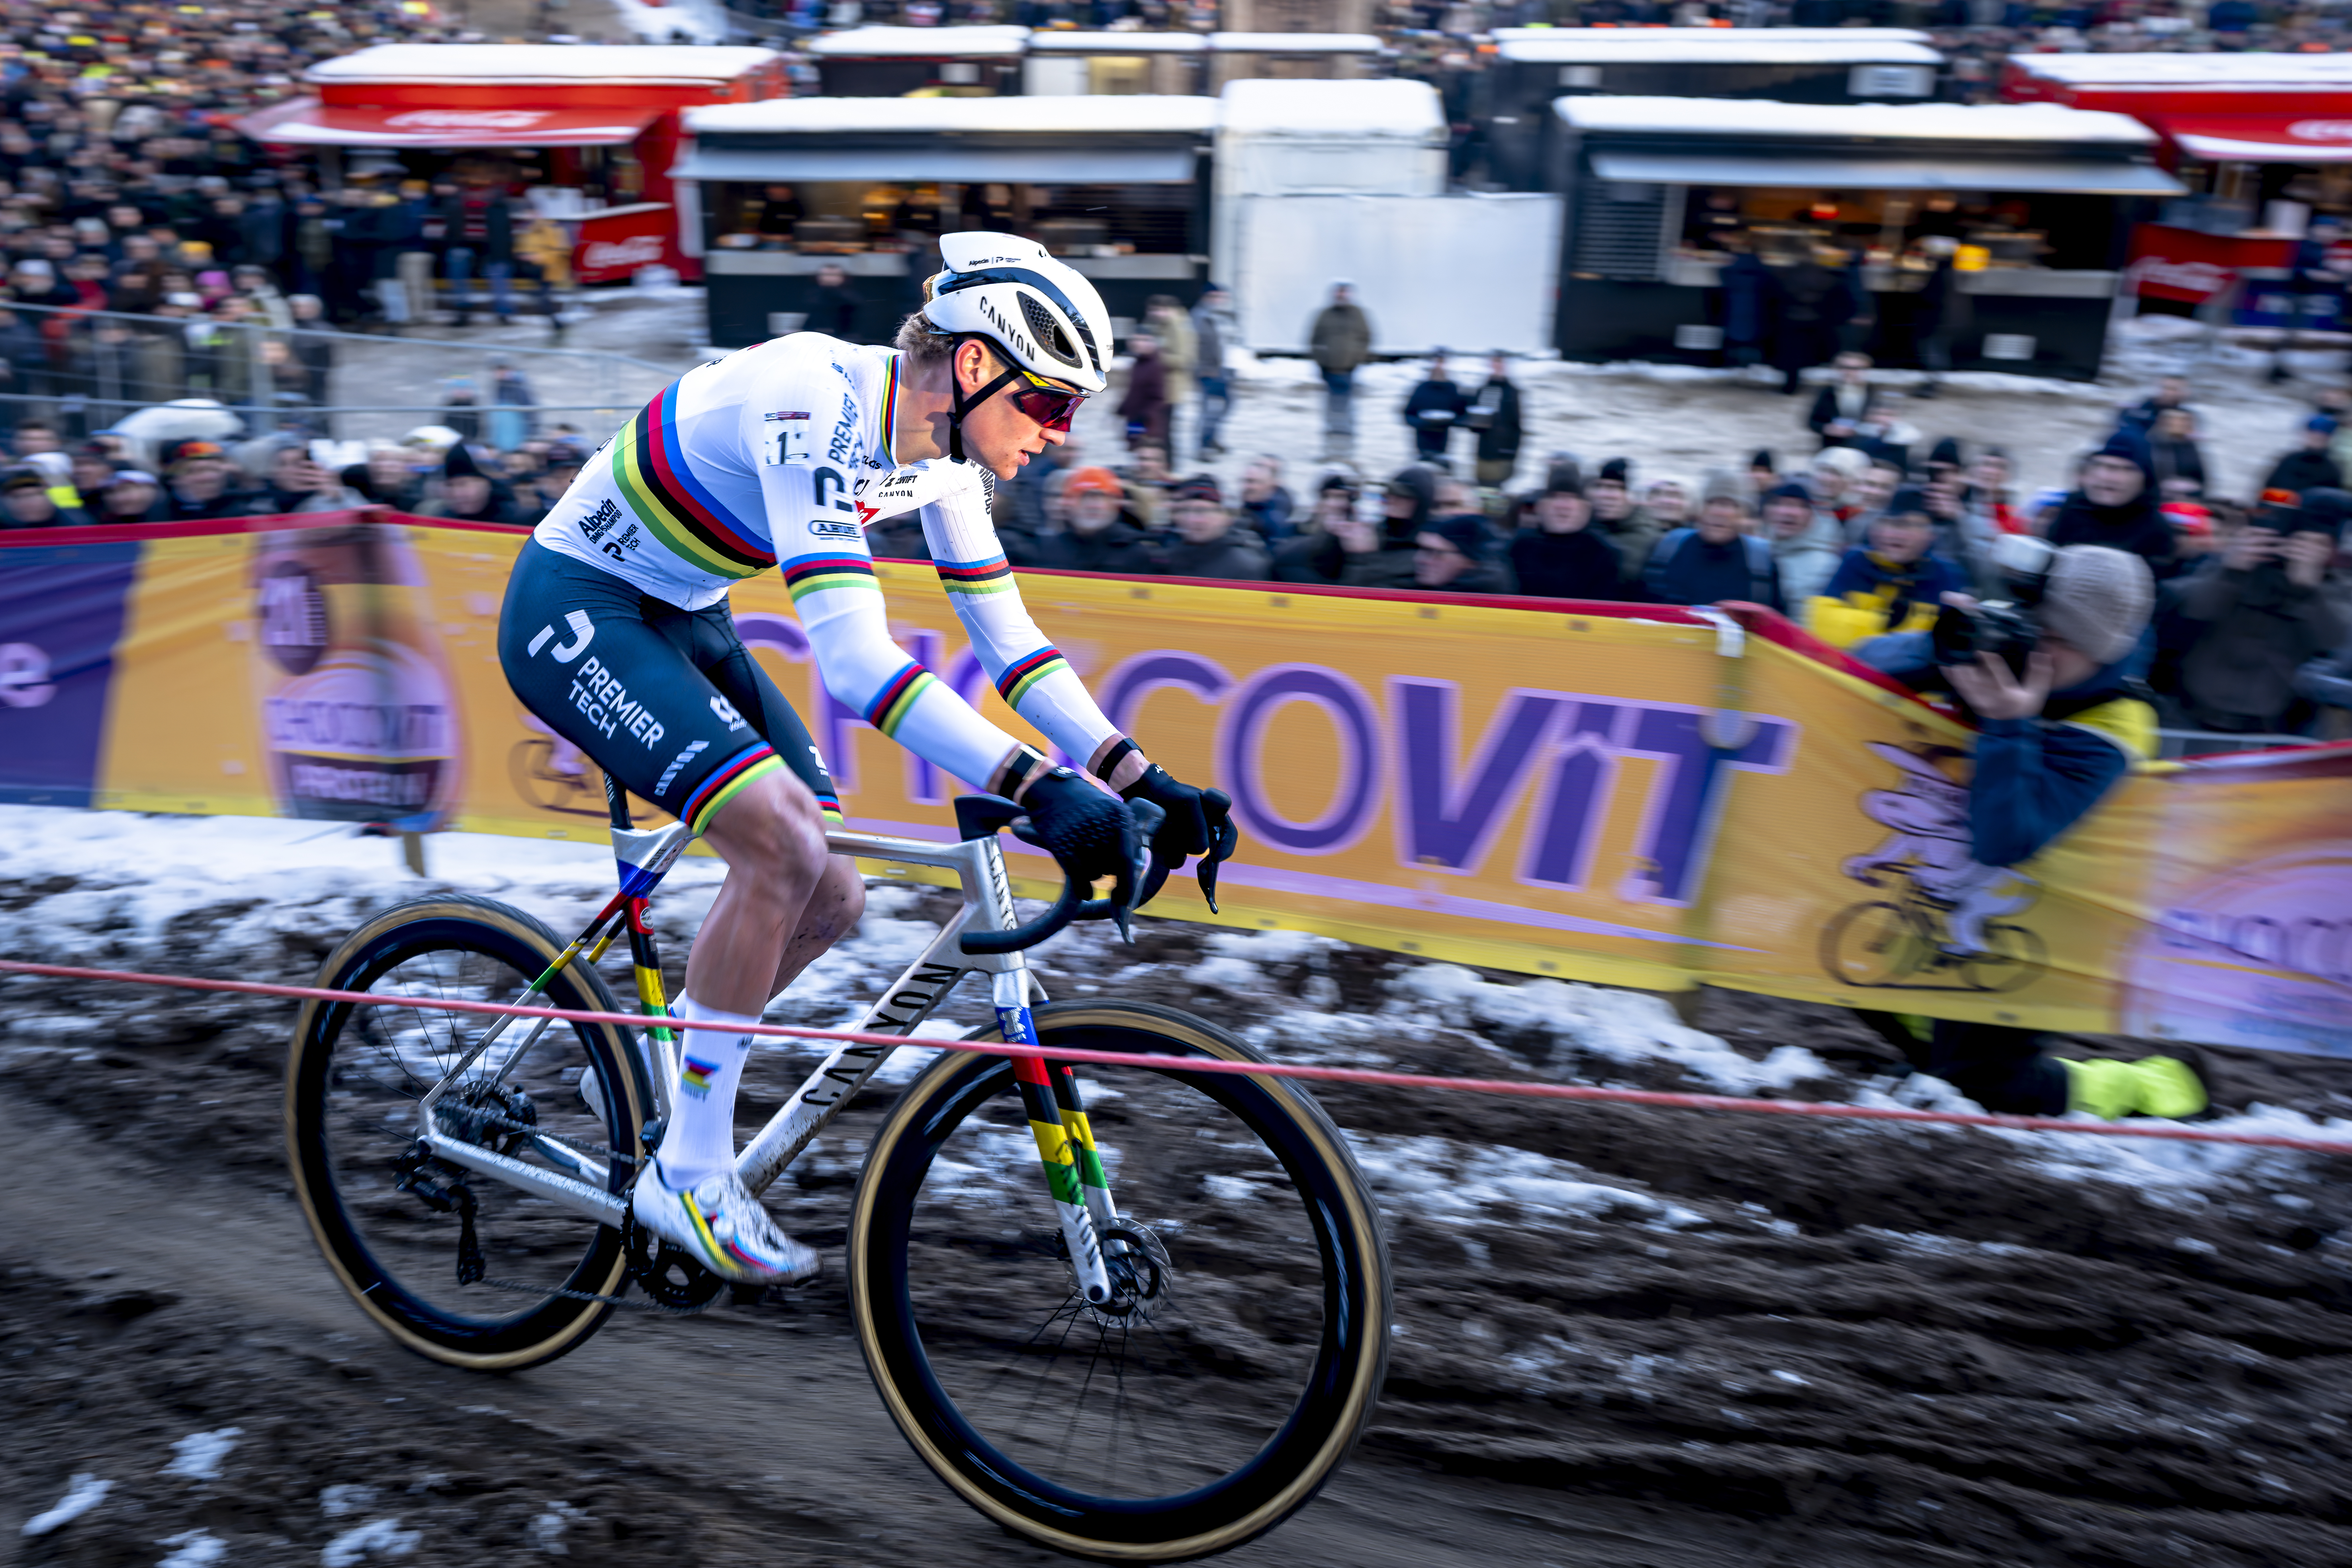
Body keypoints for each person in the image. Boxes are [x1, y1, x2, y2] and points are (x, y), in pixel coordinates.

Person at [496, 233, 1227, 1284]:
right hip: (578, 603)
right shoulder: (812, 398)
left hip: (683, 612)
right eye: (1053, 404)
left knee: (833, 895)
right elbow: (852, 661)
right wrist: (1035, 788)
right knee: (782, 845)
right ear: (976, 367)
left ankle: (662, 1090)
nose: (1060, 439)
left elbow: (1011, 646)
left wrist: (1133, 774)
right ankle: (690, 1174)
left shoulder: (945, 465)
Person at [1856, 546, 2204, 1122]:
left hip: (2048, 913)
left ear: (2098, 652)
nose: (2035, 644)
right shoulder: (2010, 652)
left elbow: (2006, 838)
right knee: (1856, 970)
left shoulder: (2117, 723)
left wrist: (2008, 722)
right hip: (1955, 889)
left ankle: (2157, 1085)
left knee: (1998, 1091)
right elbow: (1854, 667)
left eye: (2056, 638)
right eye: (2033, 623)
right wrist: (1943, 644)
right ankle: (1946, 1058)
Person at [2172, 490, 2348, 740]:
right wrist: (2231, 573)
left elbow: (2337, 645)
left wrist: (2308, 592)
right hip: (2188, 714)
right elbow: (2188, 610)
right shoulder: (2230, 562)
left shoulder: (2334, 587)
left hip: (2272, 728)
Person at [1806, 490, 1969, 649]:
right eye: (1889, 523)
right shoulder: (1855, 561)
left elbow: (1948, 644)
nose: (1897, 535)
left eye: (1910, 526)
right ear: (1874, 530)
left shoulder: (1944, 575)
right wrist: (1886, 623)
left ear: (1930, 535)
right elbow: (1826, 627)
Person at [2047, 432, 2178, 579]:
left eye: (2126, 469)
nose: (2107, 477)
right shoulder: (2072, 507)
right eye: (2100, 465)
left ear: (2146, 479)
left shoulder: (2157, 529)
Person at [1644, 485, 1781, 609]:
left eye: (1730, 505)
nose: (1719, 512)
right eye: (1712, 503)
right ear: (1700, 510)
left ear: (1743, 515)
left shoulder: (1763, 562)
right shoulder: (1666, 549)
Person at [1508, 465, 1621, 601]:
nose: (1563, 506)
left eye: (1572, 498)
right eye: (1555, 497)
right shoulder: (1518, 547)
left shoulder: (1605, 553)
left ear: (1586, 508)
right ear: (1540, 507)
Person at [1028, 467, 1153, 574]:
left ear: (1116, 503)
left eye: (1102, 498)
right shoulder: (1048, 549)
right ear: (1068, 502)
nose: (1093, 506)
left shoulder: (1135, 553)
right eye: (1084, 497)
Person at [1151, 474, 1271, 582]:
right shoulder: (1165, 560)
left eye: (1204, 511)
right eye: (1187, 511)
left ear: (1226, 518)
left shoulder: (1246, 566)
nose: (1195, 520)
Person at [1759, 479, 1844, 613]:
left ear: (1812, 515)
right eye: (1780, 504)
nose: (1789, 512)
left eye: (1800, 506)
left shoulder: (1827, 566)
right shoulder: (1753, 552)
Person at [1309, 282, 1372, 456]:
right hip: (1328, 369)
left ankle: (1346, 448)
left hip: (1349, 369)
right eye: (1339, 293)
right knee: (1331, 408)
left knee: (1347, 407)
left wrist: (1357, 358)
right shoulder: (1325, 315)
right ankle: (1329, 447)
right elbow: (1314, 339)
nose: (1341, 296)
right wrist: (1321, 360)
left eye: (1345, 293)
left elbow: (1366, 338)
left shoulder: (1358, 315)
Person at [1587, 458, 1661, 583]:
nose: (1605, 495)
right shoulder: (1578, 531)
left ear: (1635, 497)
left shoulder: (1652, 541)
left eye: (1618, 488)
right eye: (1599, 486)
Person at [422, 441, 522, 525]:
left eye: (463, 484)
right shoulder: (440, 521)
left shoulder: (521, 519)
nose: (457, 494)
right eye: (450, 485)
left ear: (487, 483)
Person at [1414, 511, 1513, 594]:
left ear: (1470, 561)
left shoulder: (1486, 603)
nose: (1419, 560)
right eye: (1420, 549)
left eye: (1436, 553)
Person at [1465, 352, 1523, 489]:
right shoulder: (1483, 390)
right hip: (1484, 452)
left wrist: (1513, 455)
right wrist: (1474, 424)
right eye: (1495, 363)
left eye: (1500, 363)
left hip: (1503, 454)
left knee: (1496, 497)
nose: (1497, 366)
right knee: (1481, 492)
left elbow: (1517, 426)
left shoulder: (1512, 392)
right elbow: (1474, 424)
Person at [1190, 284, 1234, 457]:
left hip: (1222, 369)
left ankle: (1212, 438)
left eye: (1221, 297)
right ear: (1205, 297)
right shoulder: (1198, 318)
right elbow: (1194, 347)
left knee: (1228, 405)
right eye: (1214, 297)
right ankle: (1203, 447)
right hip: (1207, 371)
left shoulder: (1221, 316)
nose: (1218, 300)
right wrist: (1202, 369)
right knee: (1208, 410)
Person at [1403, 350, 1468, 466]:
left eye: (1442, 363)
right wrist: (1423, 423)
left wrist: (1449, 421)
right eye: (1437, 362)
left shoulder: (1453, 389)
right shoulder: (1421, 389)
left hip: (1445, 449)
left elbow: (1462, 416)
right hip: (1421, 449)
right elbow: (1408, 415)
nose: (1439, 366)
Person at [160, 439, 250, 522]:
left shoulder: (242, 507)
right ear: (174, 479)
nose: (210, 477)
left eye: (215, 470)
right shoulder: (155, 511)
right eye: (197, 471)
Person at [1806, 352, 1878, 449]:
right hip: (1833, 447)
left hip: (1865, 448)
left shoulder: (1873, 393)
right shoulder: (1828, 393)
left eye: (1856, 369)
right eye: (1844, 368)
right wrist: (1828, 429)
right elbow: (1813, 422)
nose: (1849, 372)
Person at [2264, 414, 2346, 497]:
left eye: (2322, 437)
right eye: (2313, 434)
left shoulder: (2332, 470)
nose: (2318, 436)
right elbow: (2269, 490)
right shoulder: (2288, 461)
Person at [1119, 332, 1168, 452]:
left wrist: (1147, 414)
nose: (1139, 343)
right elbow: (1134, 390)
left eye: (1144, 340)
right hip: (1134, 417)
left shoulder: (1156, 366)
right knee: (1134, 449)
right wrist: (1123, 408)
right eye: (1136, 340)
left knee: (1144, 451)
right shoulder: (1138, 363)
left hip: (1147, 422)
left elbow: (1159, 397)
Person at [0, 466, 90, 528]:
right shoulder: (4, 527)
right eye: (17, 497)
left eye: (38, 495)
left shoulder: (77, 525)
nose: (29, 504)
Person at [1237, 456, 1295, 542]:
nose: (1247, 487)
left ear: (1272, 484)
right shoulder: (1254, 507)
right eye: (1246, 481)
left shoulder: (1274, 520)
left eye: (1254, 482)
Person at [807, 262, 862, 340]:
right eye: (825, 275)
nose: (829, 279)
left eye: (833, 275)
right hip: (814, 338)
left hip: (844, 339)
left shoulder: (852, 298)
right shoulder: (812, 295)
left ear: (842, 278)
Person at [91, 469, 166, 525]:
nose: (118, 499)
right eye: (110, 492)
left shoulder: (174, 517)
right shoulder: (99, 523)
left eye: (125, 490)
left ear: (150, 490)